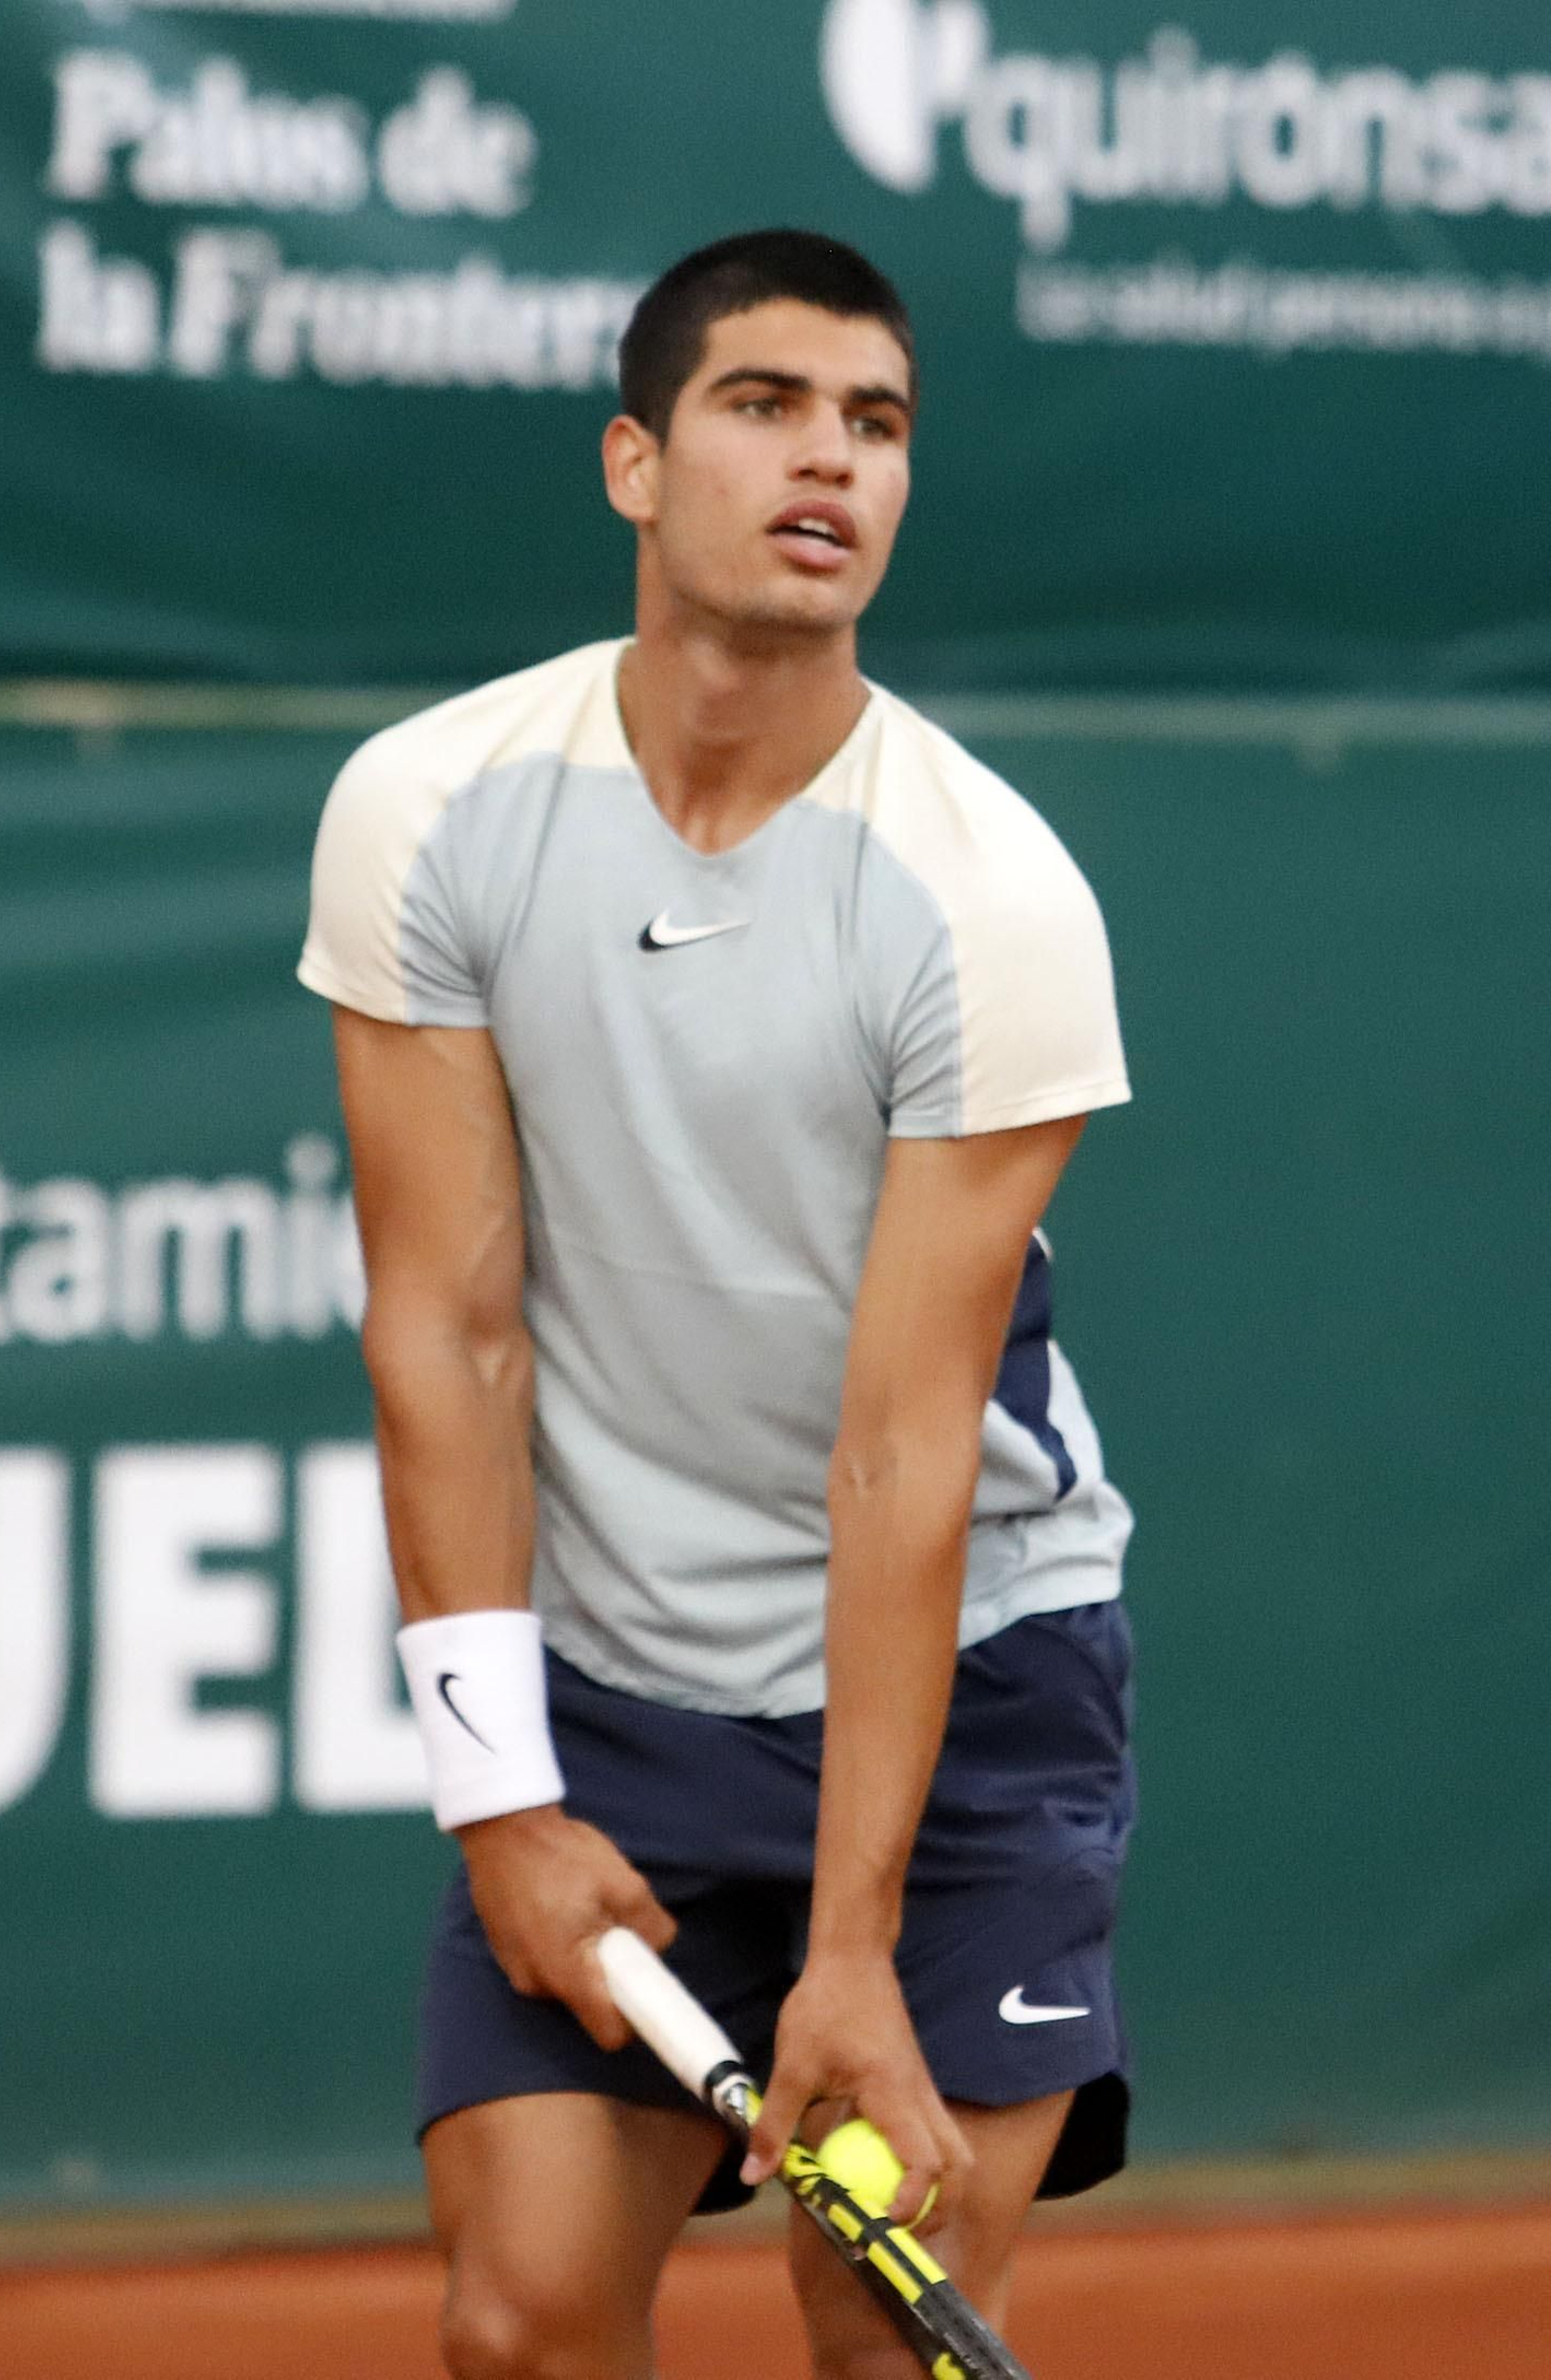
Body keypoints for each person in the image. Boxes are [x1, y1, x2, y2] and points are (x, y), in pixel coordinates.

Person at [299, 227, 1135, 2380]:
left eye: (874, 425)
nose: (827, 461)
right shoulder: (431, 809)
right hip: (616, 1693)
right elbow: (447, 1334)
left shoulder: (988, 897)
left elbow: (901, 1437)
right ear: (631, 464)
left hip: (961, 1703)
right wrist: (500, 1791)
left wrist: (849, 1944)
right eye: (764, 405)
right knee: (520, 2322)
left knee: (878, 2337)